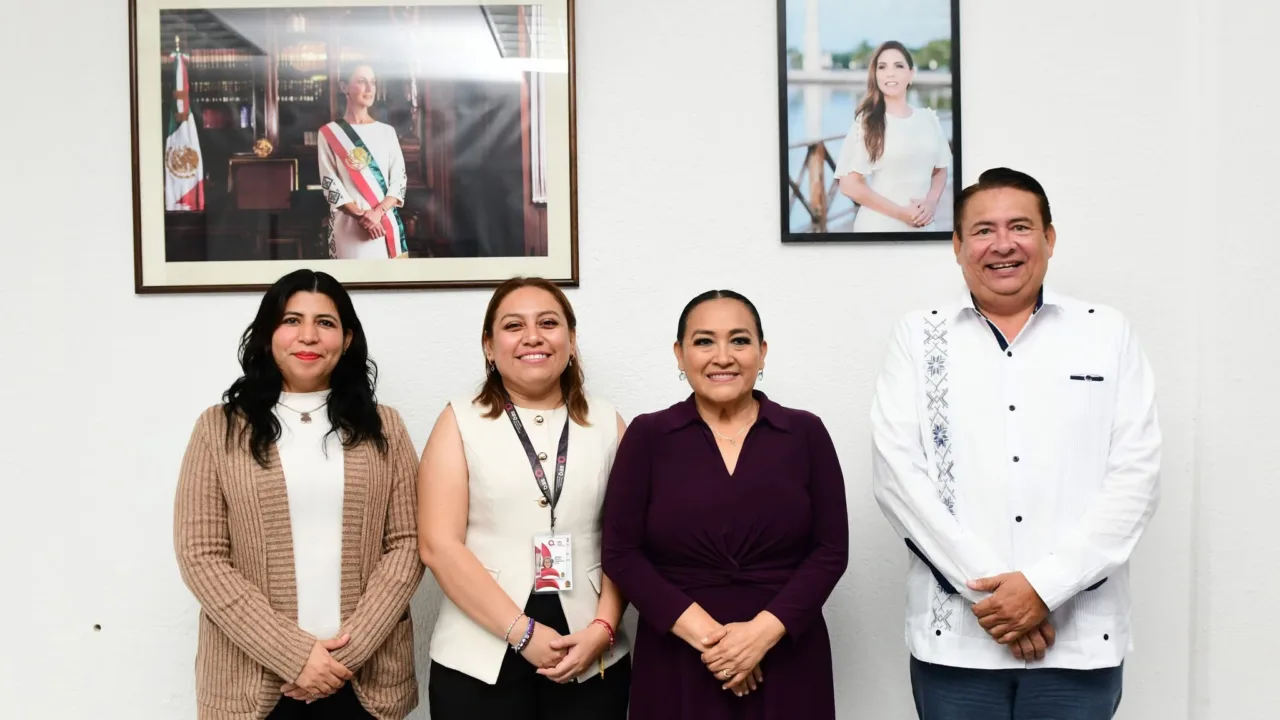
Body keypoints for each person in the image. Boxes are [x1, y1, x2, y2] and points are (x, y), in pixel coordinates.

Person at [870, 167, 1162, 719]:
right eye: (982, 230)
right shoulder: (917, 336)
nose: (1002, 244)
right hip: (956, 642)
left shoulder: (1106, 332)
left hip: (1078, 640)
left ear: (1049, 238)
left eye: (1020, 227)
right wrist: (1001, 602)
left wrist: (1044, 589)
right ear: (957, 246)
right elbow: (898, 480)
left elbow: (1137, 480)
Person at [173, 269, 424, 720]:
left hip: (362, 685)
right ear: (269, 333)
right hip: (251, 688)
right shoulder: (218, 428)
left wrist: (344, 656)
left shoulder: (385, 427)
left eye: (325, 323)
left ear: (346, 339)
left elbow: (407, 544)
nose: (308, 336)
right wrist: (295, 656)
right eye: (291, 320)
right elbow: (201, 556)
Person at [601, 290, 849, 720]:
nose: (723, 357)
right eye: (703, 341)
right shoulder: (648, 436)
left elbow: (830, 551)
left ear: (762, 352)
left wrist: (759, 636)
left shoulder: (805, 433)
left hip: (786, 652)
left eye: (739, 340)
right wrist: (716, 642)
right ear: (679, 355)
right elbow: (621, 554)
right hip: (678, 655)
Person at [417, 276, 632, 720]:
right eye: (513, 326)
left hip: (591, 653)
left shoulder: (610, 423)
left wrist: (604, 627)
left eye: (548, 323)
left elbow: (626, 543)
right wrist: (522, 633)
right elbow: (438, 545)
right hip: (477, 656)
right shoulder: (458, 420)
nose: (532, 336)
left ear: (571, 342)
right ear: (489, 347)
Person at [834, 40, 952, 232]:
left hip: (924, 227)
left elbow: (940, 170)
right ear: (876, 75)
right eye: (882, 67)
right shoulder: (867, 122)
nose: (890, 73)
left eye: (898, 66)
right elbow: (849, 185)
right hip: (879, 227)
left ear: (911, 74)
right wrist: (902, 214)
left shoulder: (929, 119)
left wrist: (931, 202)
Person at [318, 64, 409, 260]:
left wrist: (377, 213)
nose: (369, 88)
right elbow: (330, 181)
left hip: (383, 224)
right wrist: (360, 215)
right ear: (344, 88)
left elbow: (399, 180)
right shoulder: (329, 133)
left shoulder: (387, 132)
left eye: (373, 82)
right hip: (349, 226)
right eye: (361, 81)